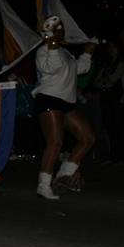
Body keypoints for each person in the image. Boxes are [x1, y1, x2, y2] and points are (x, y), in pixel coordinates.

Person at [32, 15, 96, 199]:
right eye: (56, 28)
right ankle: (44, 185)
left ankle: (65, 174)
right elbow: (51, 67)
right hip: (49, 99)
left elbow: (80, 68)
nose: (61, 30)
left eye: (61, 27)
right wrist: (51, 43)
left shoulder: (65, 52)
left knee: (88, 138)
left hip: (67, 102)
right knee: (55, 142)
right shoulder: (43, 51)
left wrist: (90, 49)